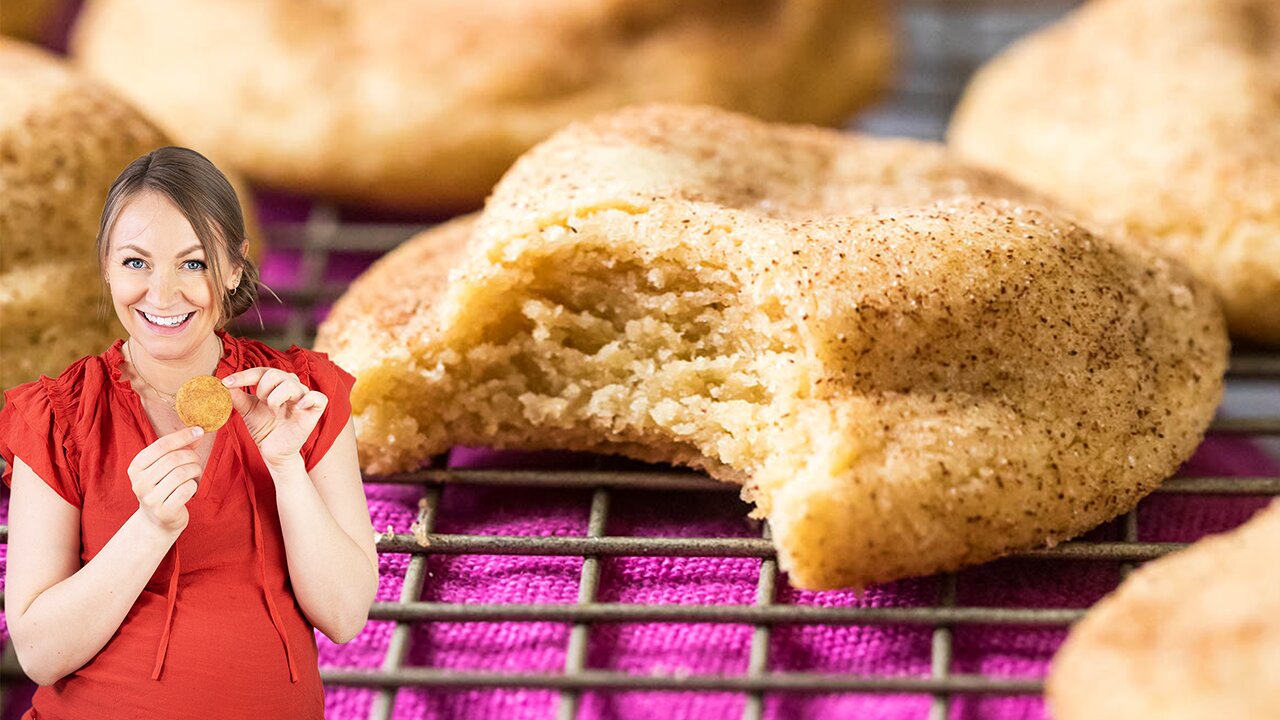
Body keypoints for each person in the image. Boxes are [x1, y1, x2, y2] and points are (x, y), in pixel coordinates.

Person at [0, 147, 378, 719]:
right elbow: (39, 653)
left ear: (234, 266)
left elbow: (345, 614)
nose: (163, 293)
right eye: (135, 262)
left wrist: (286, 467)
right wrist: (151, 527)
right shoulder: (57, 416)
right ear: (105, 264)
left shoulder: (304, 396)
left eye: (194, 263)